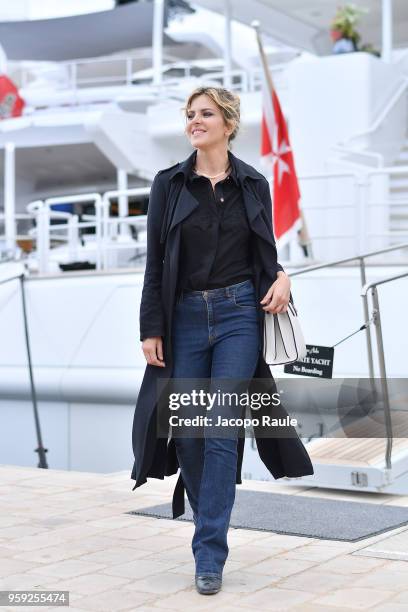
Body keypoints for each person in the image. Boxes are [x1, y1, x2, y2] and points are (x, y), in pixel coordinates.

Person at [132, 86, 314, 596]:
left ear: (228, 123)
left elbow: (265, 254)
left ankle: (208, 553)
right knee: (188, 434)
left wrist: (283, 277)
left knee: (220, 431)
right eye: (190, 115)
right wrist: (151, 327)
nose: (194, 122)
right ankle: (207, 513)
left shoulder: (253, 183)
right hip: (184, 318)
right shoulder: (169, 184)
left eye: (205, 114)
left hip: (239, 316)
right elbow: (154, 263)